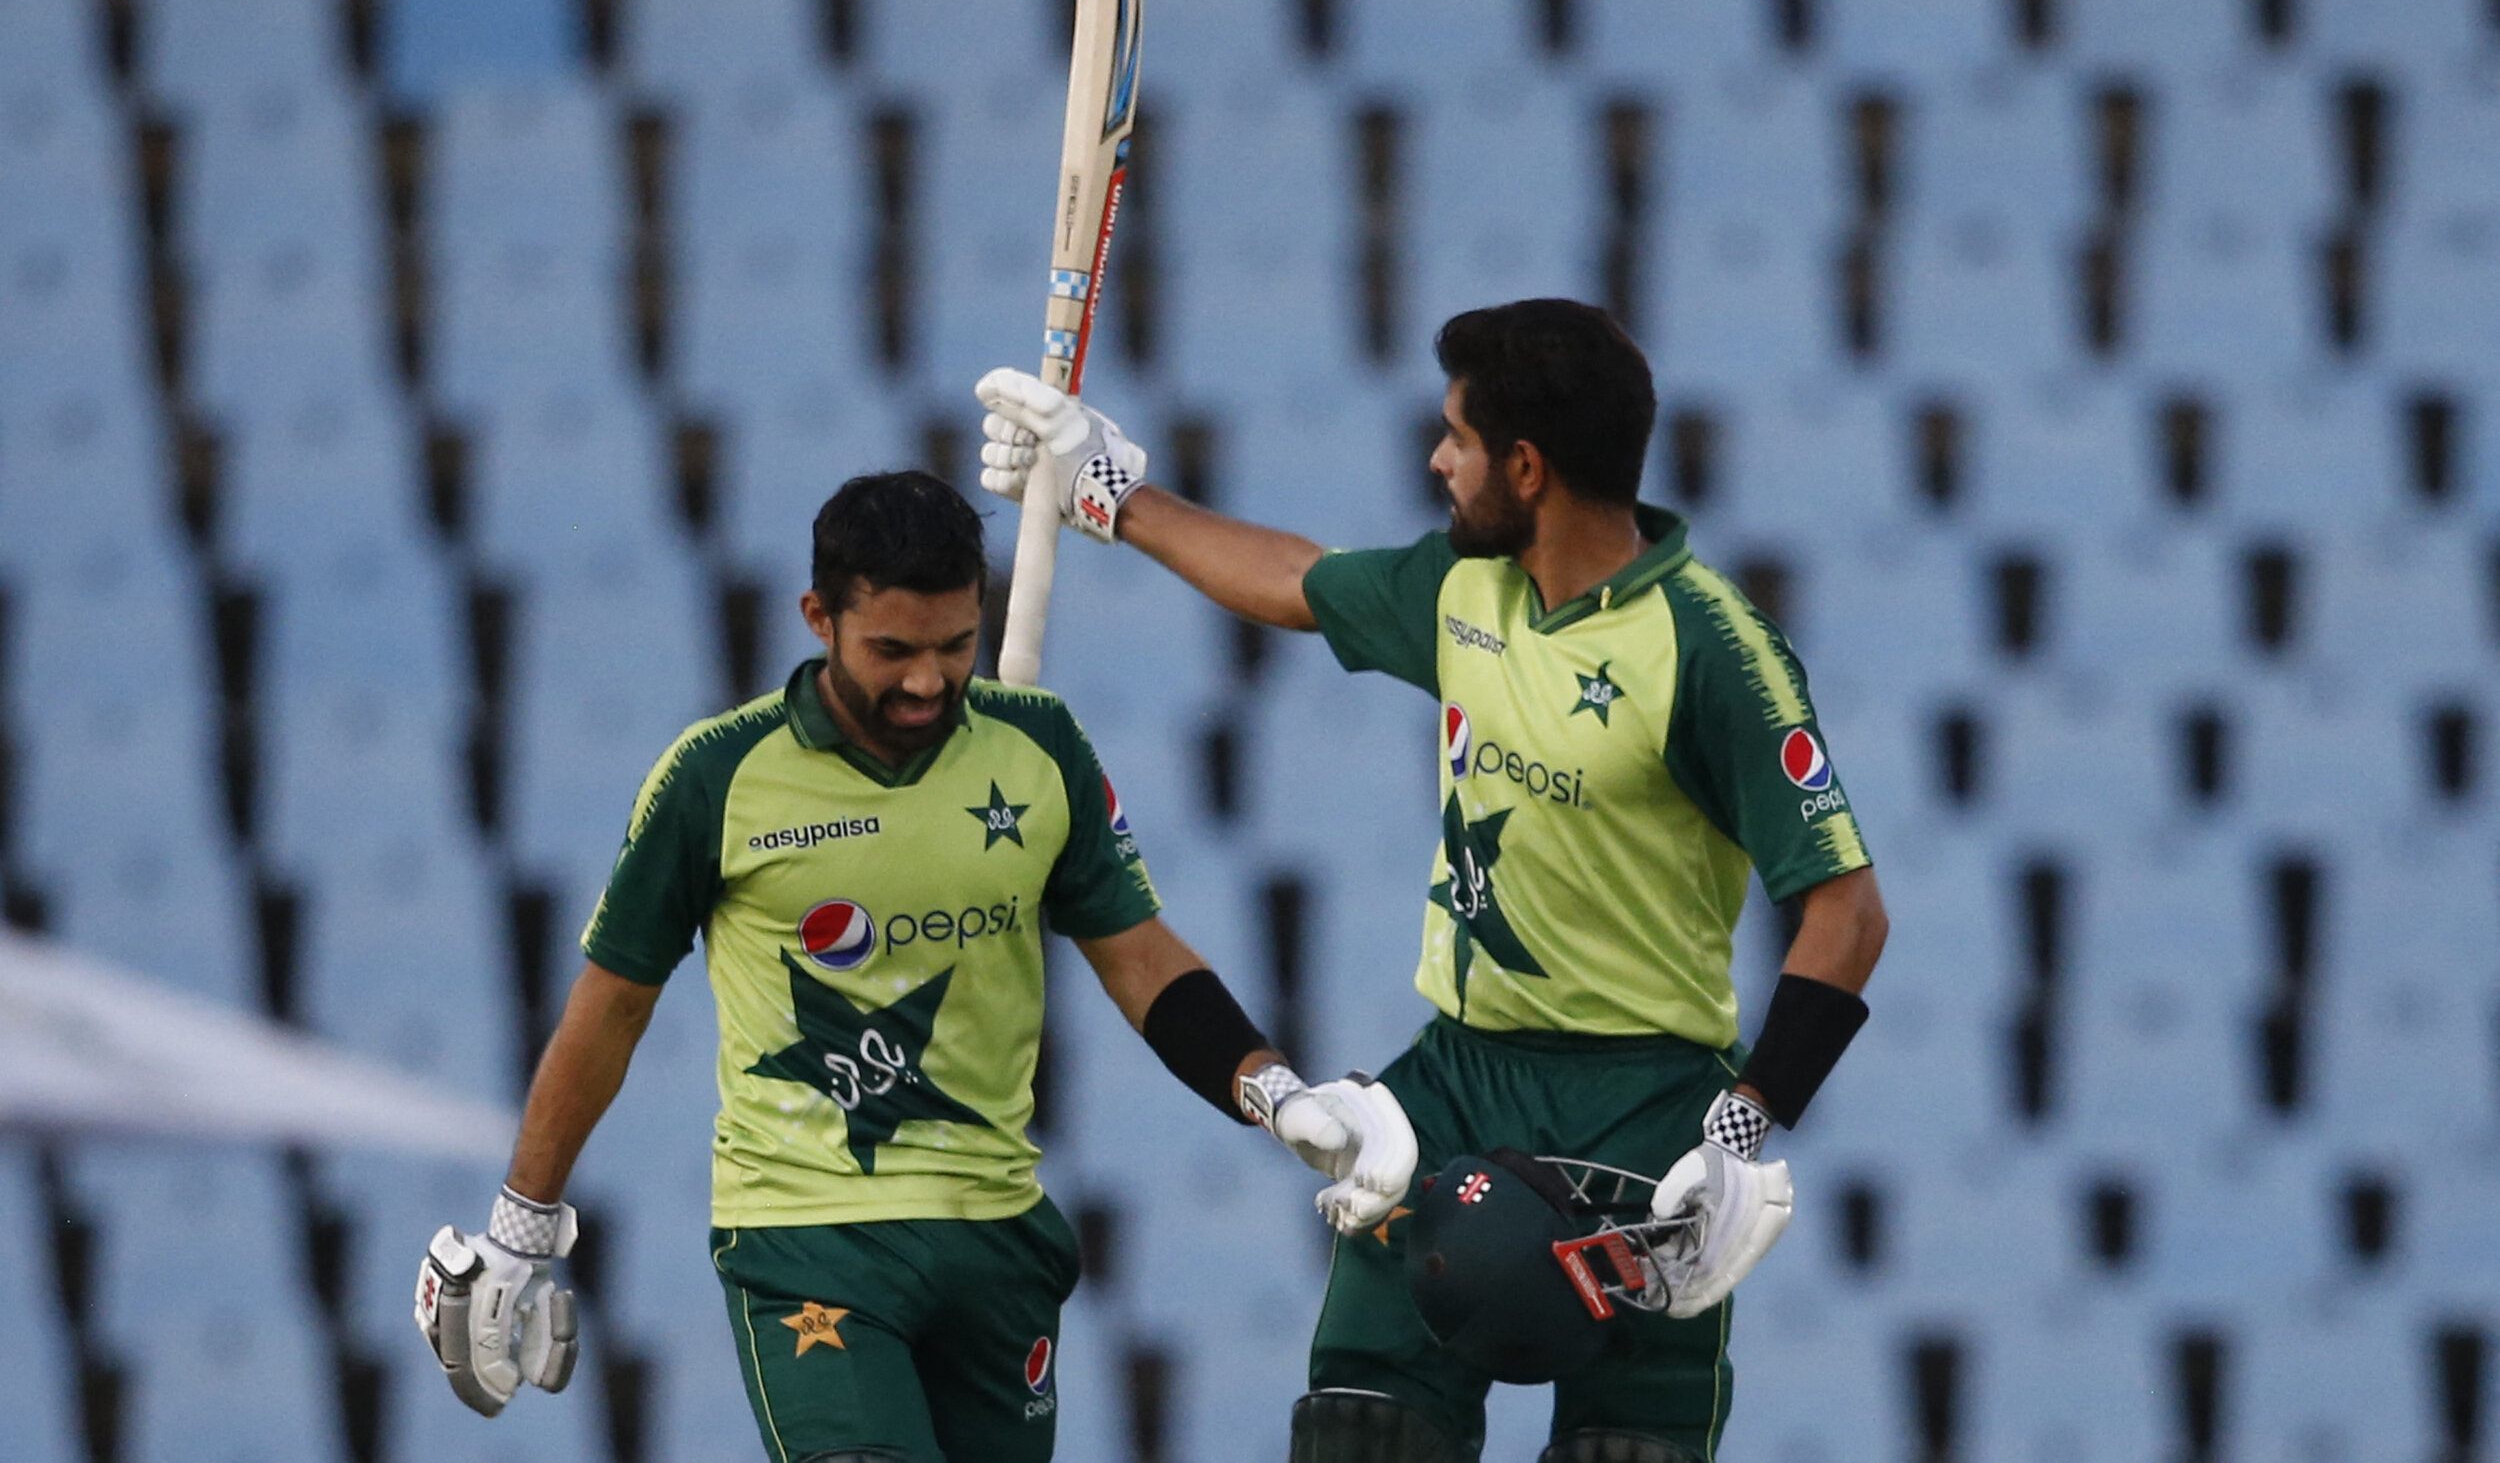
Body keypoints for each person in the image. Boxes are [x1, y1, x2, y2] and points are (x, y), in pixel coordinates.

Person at [974, 299, 1890, 1463]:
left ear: (1527, 466)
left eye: (1457, 437)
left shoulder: (1712, 649)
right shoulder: (1466, 591)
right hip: (1454, 1086)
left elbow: (1848, 910)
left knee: (1627, 1451)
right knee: (1360, 1430)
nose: (1437, 461)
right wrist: (1108, 493)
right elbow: (1296, 580)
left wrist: (1738, 1127)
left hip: (1646, 1113)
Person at [413, 470, 1416, 1463]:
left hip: (997, 1236)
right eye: (892, 650)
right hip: (809, 1238)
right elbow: (612, 1007)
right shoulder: (717, 775)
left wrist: (1272, 1090)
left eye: (954, 645)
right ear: (818, 617)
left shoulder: (1040, 746)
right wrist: (521, 1223)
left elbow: (1140, 958)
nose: (929, 682)